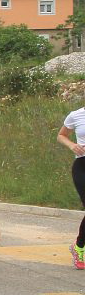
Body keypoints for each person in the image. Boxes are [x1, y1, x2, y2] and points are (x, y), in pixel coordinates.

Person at [58, 106, 85, 268]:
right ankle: (79, 247)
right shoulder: (76, 115)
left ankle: (79, 246)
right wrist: (72, 145)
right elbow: (61, 135)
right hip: (82, 166)